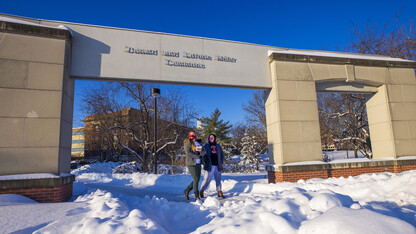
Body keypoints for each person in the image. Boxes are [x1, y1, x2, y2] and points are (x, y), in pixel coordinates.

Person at [200, 134, 226, 199]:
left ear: (215, 138)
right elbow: (202, 155)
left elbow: (222, 154)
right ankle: (201, 190)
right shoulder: (206, 146)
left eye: (213, 137)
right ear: (209, 138)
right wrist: (204, 162)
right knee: (207, 180)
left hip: (217, 165)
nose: (212, 139)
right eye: (210, 137)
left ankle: (219, 192)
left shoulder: (218, 146)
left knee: (218, 179)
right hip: (209, 166)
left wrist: (221, 161)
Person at [183, 131, 205, 201]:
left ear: (196, 135)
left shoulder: (198, 143)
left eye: (194, 135)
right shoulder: (187, 142)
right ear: (189, 135)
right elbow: (187, 153)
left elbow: (204, 151)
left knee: (197, 179)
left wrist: (200, 153)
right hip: (191, 163)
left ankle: (187, 190)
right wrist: (197, 156)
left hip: (198, 163)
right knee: (195, 179)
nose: (192, 136)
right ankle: (197, 196)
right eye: (191, 135)